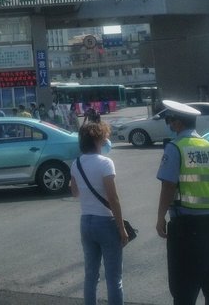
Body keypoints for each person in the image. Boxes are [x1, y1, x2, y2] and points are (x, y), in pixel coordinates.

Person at [156, 100, 209, 305]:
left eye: (169, 121)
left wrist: (160, 218)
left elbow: (168, 186)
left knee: (183, 288)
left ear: (178, 122)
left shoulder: (175, 148)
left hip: (185, 227)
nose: (169, 125)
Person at [70, 120, 129, 305]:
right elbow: (113, 198)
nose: (105, 141)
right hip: (105, 223)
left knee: (91, 275)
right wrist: (122, 228)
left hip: (86, 222)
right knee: (114, 278)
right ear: (97, 140)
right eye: (104, 138)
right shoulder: (105, 163)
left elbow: (75, 193)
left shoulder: (76, 163)